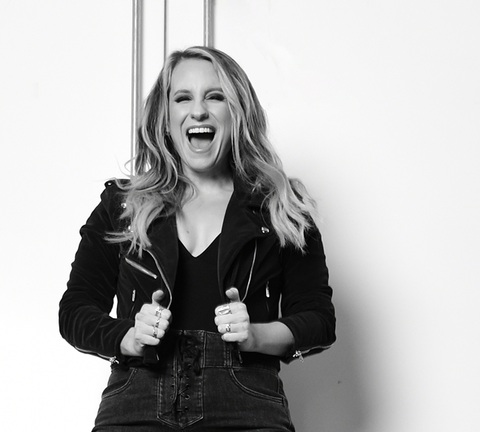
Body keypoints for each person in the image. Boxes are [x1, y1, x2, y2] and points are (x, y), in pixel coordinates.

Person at [59, 46, 336, 431]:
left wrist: (255, 335)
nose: (199, 111)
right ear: (165, 117)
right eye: (183, 98)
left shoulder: (282, 207)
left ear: (237, 113)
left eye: (215, 96)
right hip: (137, 402)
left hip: (246, 405)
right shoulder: (122, 205)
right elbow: (75, 311)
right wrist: (129, 337)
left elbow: (319, 320)